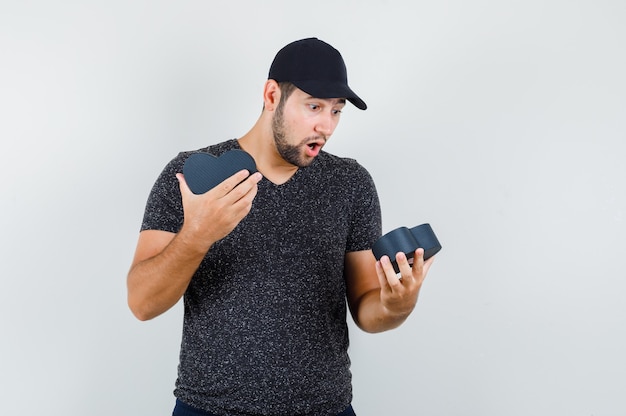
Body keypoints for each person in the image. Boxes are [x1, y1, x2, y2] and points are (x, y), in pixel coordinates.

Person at [127, 37, 435, 416]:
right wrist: (198, 233)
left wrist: (398, 304)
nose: (327, 125)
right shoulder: (193, 175)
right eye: (314, 106)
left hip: (325, 408)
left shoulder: (350, 183)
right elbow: (142, 303)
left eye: (337, 111)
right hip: (208, 408)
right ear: (272, 95)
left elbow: (367, 309)